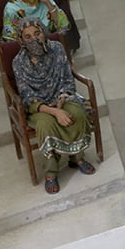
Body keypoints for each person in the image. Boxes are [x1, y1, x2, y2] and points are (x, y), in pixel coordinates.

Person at [12, 18, 95, 194]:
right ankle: (51, 172)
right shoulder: (18, 62)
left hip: (61, 97)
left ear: (44, 32)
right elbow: (27, 96)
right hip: (38, 107)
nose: (34, 39)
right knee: (46, 124)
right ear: (21, 40)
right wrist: (55, 111)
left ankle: (77, 158)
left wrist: (61, 100)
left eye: (37, 33)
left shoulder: (56, 48)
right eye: (27, 36)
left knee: (77, 113)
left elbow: (67, 79)